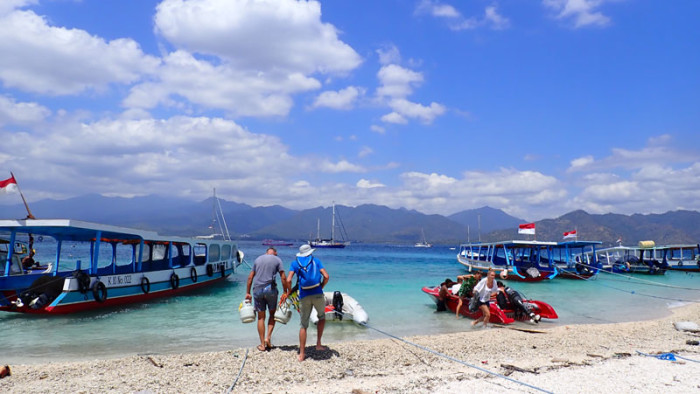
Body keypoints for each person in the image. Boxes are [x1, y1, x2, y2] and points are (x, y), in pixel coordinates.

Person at [285, 244, 329, 361]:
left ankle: (302, 354)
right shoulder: (316, 261)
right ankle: (318, 344)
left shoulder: (295, 263)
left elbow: (288, 279)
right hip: (318, 293)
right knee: (322, 317)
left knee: (303, 325)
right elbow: (326, 276)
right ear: (310, 252)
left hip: (304, 295)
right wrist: (321, 287)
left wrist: (289, 291)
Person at [245, 246, 289, 352]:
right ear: (275, 253)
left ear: (266, 252)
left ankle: (262, 345)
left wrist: (247, 292)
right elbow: (283, 277)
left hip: (257, 290)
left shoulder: (257, 259)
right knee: (272, 314)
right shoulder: (277, 260)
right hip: (270, 289)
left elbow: (250, 277)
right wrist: (285, 291)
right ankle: (267, 338)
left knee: (261, 317)